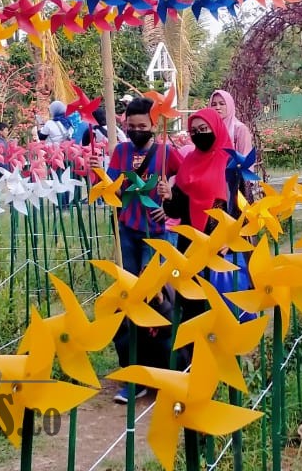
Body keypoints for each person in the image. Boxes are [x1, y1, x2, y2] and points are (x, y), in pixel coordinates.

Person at [102, 96, 183, 403]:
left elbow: (184, 180)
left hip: (155, 231)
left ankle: (159, 367)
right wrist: (111, 181)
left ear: (153, 125)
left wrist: (169, 193)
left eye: (142, 126)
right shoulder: (121, 151)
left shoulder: (165, 152)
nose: (136, 130)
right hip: (127, 230)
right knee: (126, 297)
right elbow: (113, 186)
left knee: (152, 297)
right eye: (131, 126)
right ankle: (132, 372)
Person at [159, 108, 231, 316]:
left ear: (216, 128)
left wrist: (229, 236)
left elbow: (240, 203)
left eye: (204, 129)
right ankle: (192, 346)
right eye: (194, 131)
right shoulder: (189, 161)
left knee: (221, 301)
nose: (199, 134)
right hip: (190, 242)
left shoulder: (229, 161)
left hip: (221, 242)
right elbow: (175, 209)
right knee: (192, 302)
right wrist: (169, 196)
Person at [209, 90, 253, 156]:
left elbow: (246, 157)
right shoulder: (207, 128)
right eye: (214, 105)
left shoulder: (239, 129)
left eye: (222, 104)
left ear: (229, 105)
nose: (217, 108)